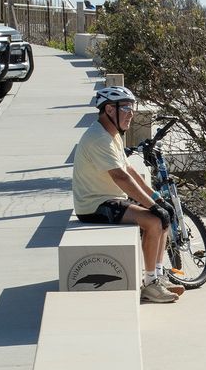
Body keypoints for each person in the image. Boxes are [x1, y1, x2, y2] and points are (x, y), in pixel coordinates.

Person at [72, 85, 184, 303]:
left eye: (132, 108)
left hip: (109, 199)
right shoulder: (99, 139)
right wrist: (153, 207)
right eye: (125, 108)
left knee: (164, 216)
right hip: (94, 205)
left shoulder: (111, 134)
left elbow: (129, 170)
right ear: (109, 110)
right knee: (153, 221)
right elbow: (120, 177)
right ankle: (150, 285)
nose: (131, 113)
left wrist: (157, 199)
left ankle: (158, 276)